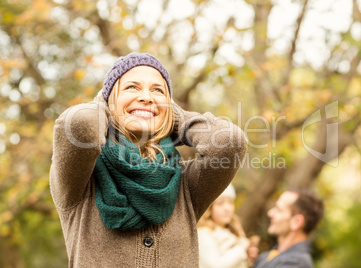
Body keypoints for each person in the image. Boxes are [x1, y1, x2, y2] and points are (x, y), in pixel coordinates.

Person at [49, 52, 247, 267]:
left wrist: (171, 117)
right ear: (109, 101)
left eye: (157, 90)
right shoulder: (80, 178)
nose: (146, 96)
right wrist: (104, 102)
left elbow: (230, 142)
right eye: (132, 87)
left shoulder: (187, 186)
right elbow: (80, 124)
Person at [253, 189, 324, 268]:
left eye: (279, 210)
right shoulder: (270, 255)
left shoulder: (296, 263)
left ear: (296, 222)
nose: (270, 213)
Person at [198, 184, 260, 268]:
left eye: (230, 202)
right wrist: (241, 248)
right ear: (209, 207)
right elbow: (214, 266)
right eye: (220, 203)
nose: (227, 208)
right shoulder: (203, 233)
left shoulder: (234, 232)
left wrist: (248, 258)